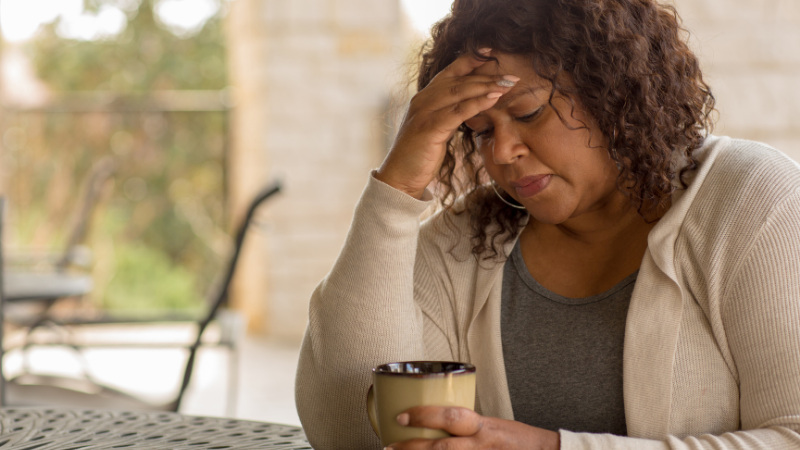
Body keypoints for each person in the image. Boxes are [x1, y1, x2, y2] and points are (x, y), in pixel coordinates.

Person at [295, 0, 800, 448]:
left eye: (530, 112)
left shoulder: (751, 203)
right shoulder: (466, 241)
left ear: (612, 90)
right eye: (480, 131)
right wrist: (397, 189)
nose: (502, 152)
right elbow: (349, 432)